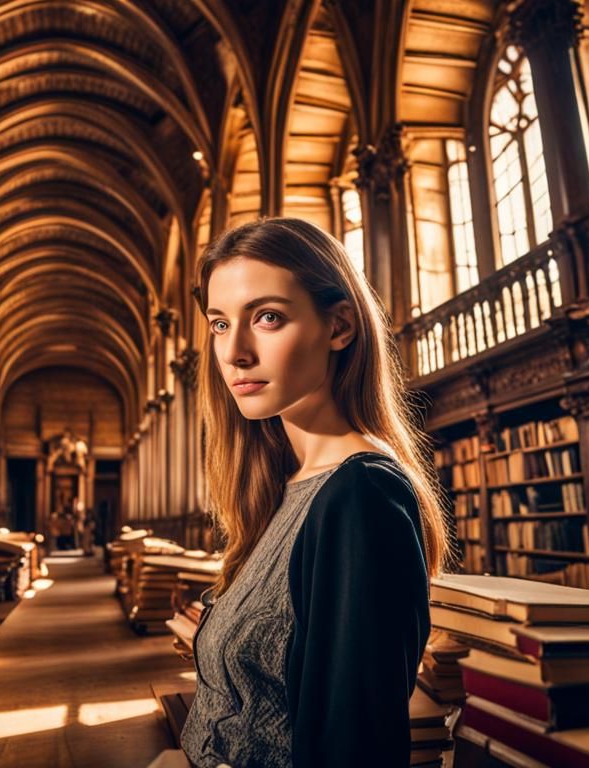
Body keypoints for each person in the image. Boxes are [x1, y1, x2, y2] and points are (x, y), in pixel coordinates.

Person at [178, 218, 447, 767]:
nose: (235, 352)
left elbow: (353, 749)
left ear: (340, 326)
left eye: (268, 317)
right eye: (220, 324)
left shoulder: (361, 494)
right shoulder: (285, 487)